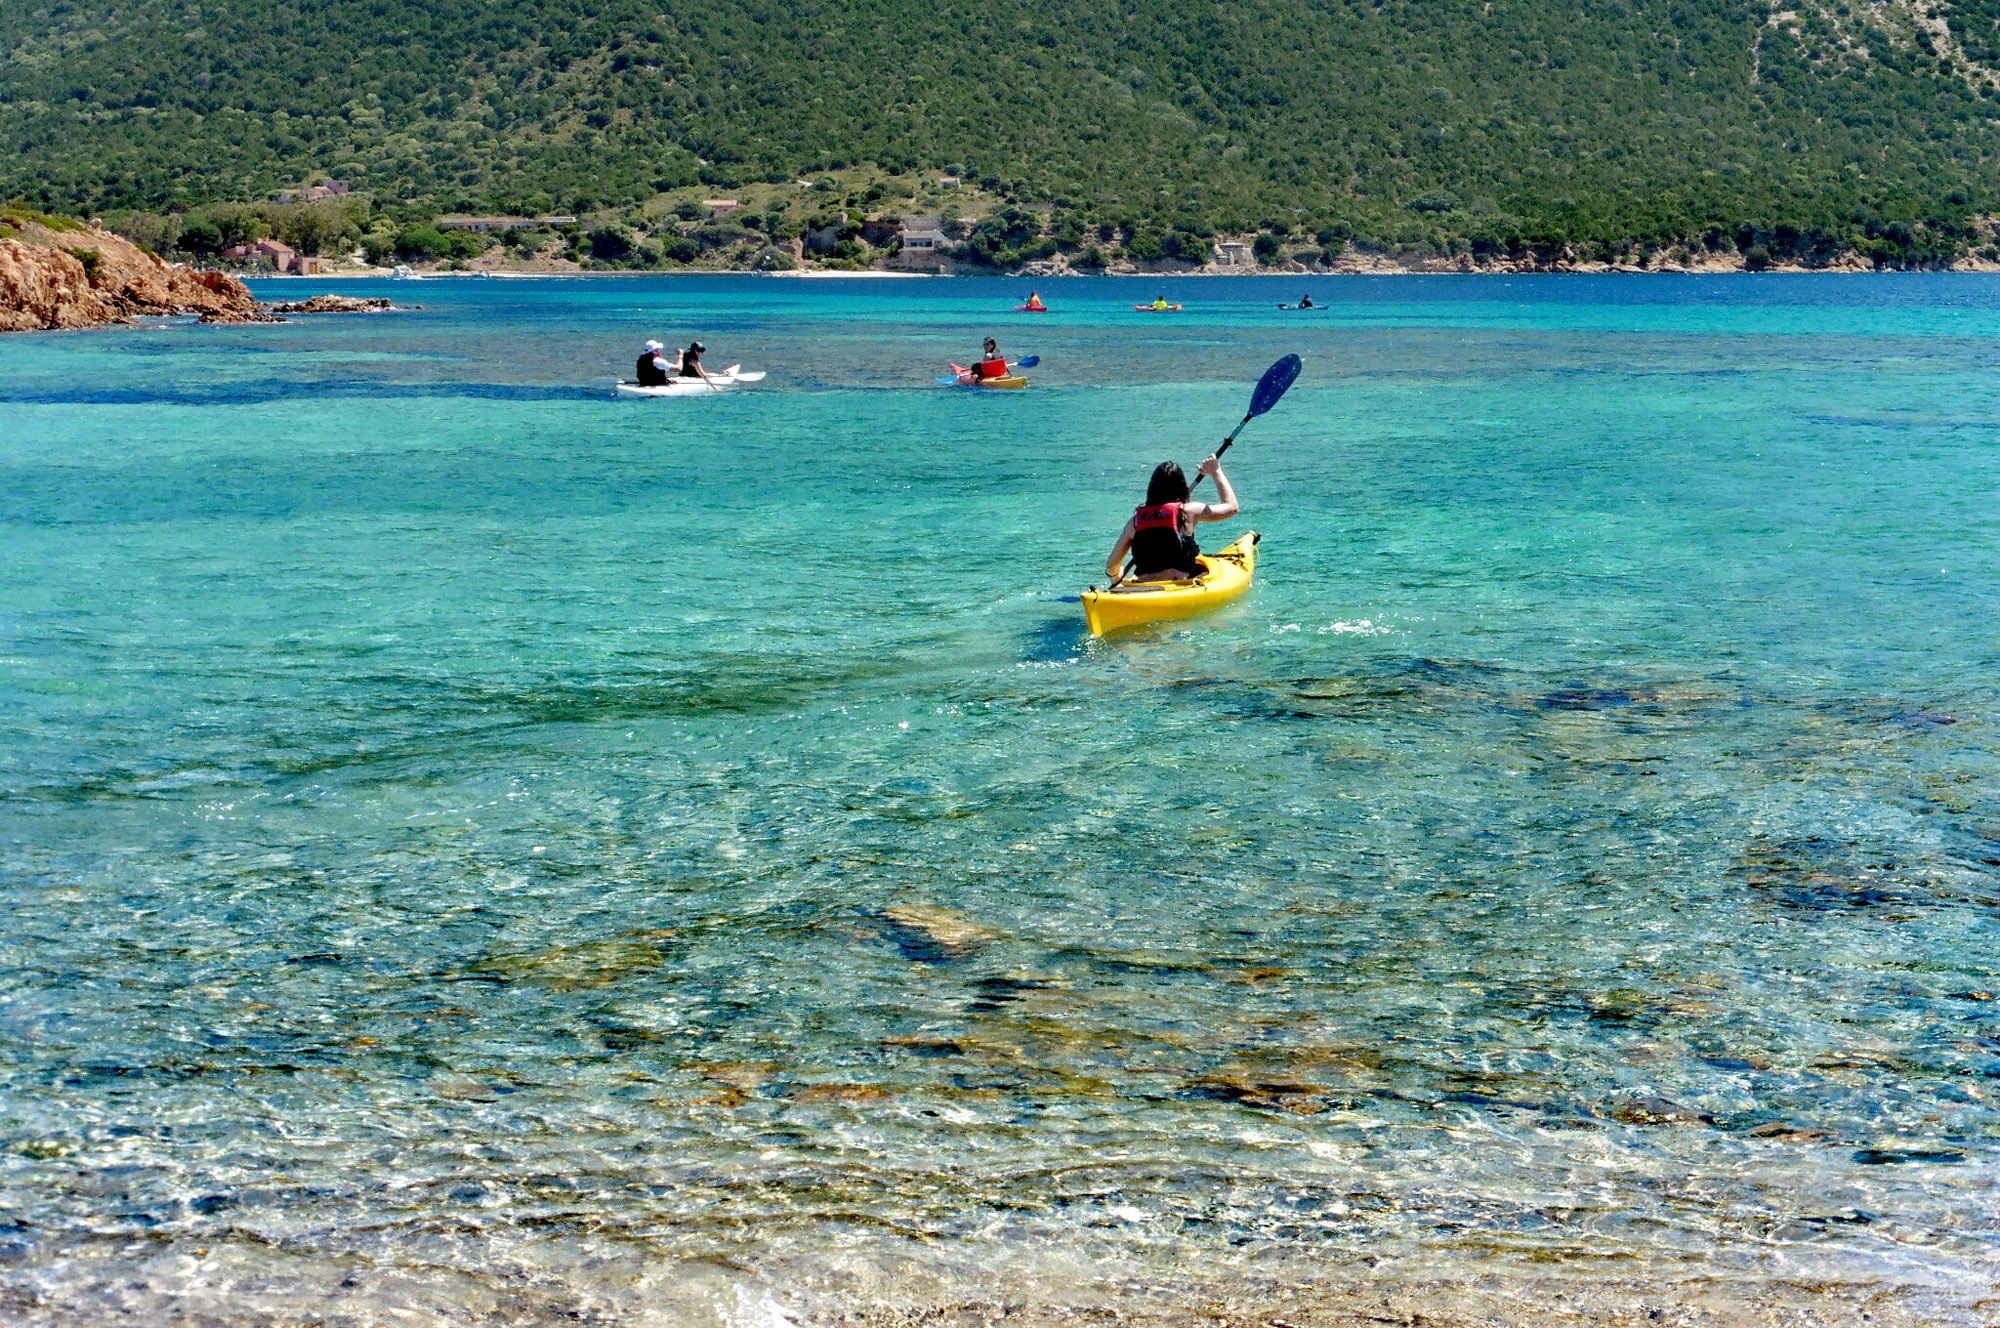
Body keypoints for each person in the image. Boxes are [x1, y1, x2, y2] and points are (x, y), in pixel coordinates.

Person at [1103, 455, 1238, 583]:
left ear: (1151, 490)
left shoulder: (1135, 521)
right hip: (1180, 586)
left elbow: (1111, 566)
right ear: (1182, 488)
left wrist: (1117, 578)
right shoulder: (1189, 511)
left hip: (1144, 586)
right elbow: (1232, 507)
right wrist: (1216, 471)